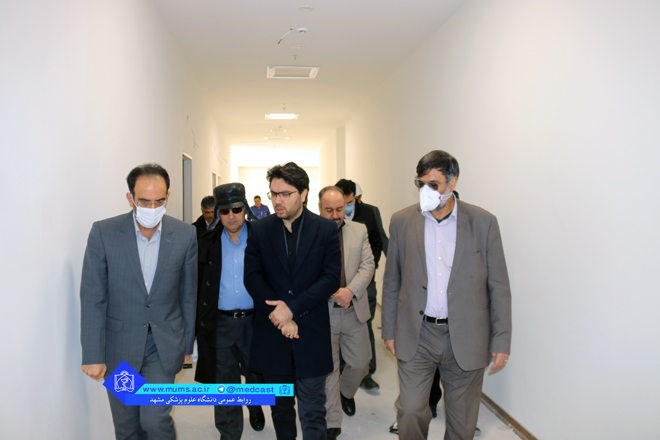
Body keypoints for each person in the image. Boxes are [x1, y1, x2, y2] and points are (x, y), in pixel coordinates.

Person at [382, 150, 512, 440]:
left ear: (452, 183)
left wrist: (501, 340)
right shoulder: (402, 221)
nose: (426, 191)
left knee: (462, 421)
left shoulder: (483, 222)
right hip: (418, 333)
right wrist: (389, 330)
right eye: (421, 184)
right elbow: (392, 280)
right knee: (411, 410)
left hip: (466, 334)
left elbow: (499, 286)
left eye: (434, 185)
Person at [80, 163, 197, 440]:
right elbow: (93, 297)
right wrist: (93, 354)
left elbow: (188, 294)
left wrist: (187, 344)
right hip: (119, 347)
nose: (152, 208)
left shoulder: (184, 235)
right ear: (130, 198)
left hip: (163, 345)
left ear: (167, 197)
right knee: (128, 426)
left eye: (159, 201)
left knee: (155, 419)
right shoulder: (104, 233)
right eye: (144, 201)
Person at [244, 162, 341, 440]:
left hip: (310, 334)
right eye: (274, 193)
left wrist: (292, 309)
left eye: (285, 194)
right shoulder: (260, 229)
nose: (278, 200)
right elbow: (252, 277)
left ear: (304, 194)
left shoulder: (325, 229)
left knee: (313, 409)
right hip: (273, 335)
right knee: (281, 408)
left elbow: (330, 279)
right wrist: (280, 315)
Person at [195, 183, 266, 439]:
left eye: (237, 209)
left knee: (257, 375)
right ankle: (229, 433)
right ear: (217, 213)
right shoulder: (206, 242)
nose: (232, 216)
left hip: (256, 322)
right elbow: (197, 285)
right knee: (224, 383)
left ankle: (254, 406)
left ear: (245, 208)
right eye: (225, 211)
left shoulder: (262, 238)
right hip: (221, 324)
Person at [318, 186, 375, 440]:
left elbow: (368, 265)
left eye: (339, 209)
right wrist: (331, 293)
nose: (335, 215)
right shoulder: (310, 233)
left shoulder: (359, 230)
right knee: (328, 369)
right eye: (329, 210)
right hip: (323, 313)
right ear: (319, 209)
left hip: (353, 310)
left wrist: (350, 291)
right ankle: (332, 420)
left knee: (361, 362)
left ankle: (345, 393)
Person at [335, 179, 383, 390]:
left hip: (364, 284)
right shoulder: (329, 218)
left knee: (365, 325)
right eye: (343, 203)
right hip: (336, 290)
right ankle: (341, 376)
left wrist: (368, 270)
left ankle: (367, 374)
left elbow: (378, 242)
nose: (346, 207)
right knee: (337, 335)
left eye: (350, 202)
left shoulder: (369, 213)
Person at [355, 183, 389, 257]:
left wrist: (391, 259)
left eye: (357, 199)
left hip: (368, 259)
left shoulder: (371, 211)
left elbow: (381, 237)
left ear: (360, 196)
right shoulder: (340, 213)